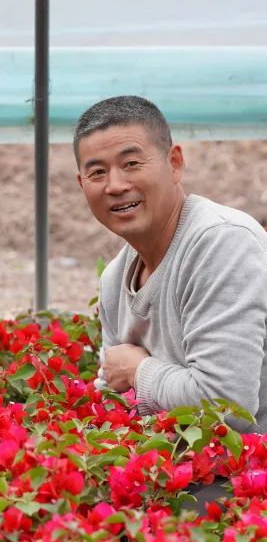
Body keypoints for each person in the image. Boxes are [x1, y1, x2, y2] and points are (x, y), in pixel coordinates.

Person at [73, 95, 267, 432]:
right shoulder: (114, 279)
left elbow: (230, 407)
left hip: (246, 472)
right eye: (97, 172)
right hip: (179, 468)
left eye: (131, 163)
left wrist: (138, 371)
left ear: (174, 163)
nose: (115, 185)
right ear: (81, 184)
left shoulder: (220, 243)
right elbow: (113, 397)